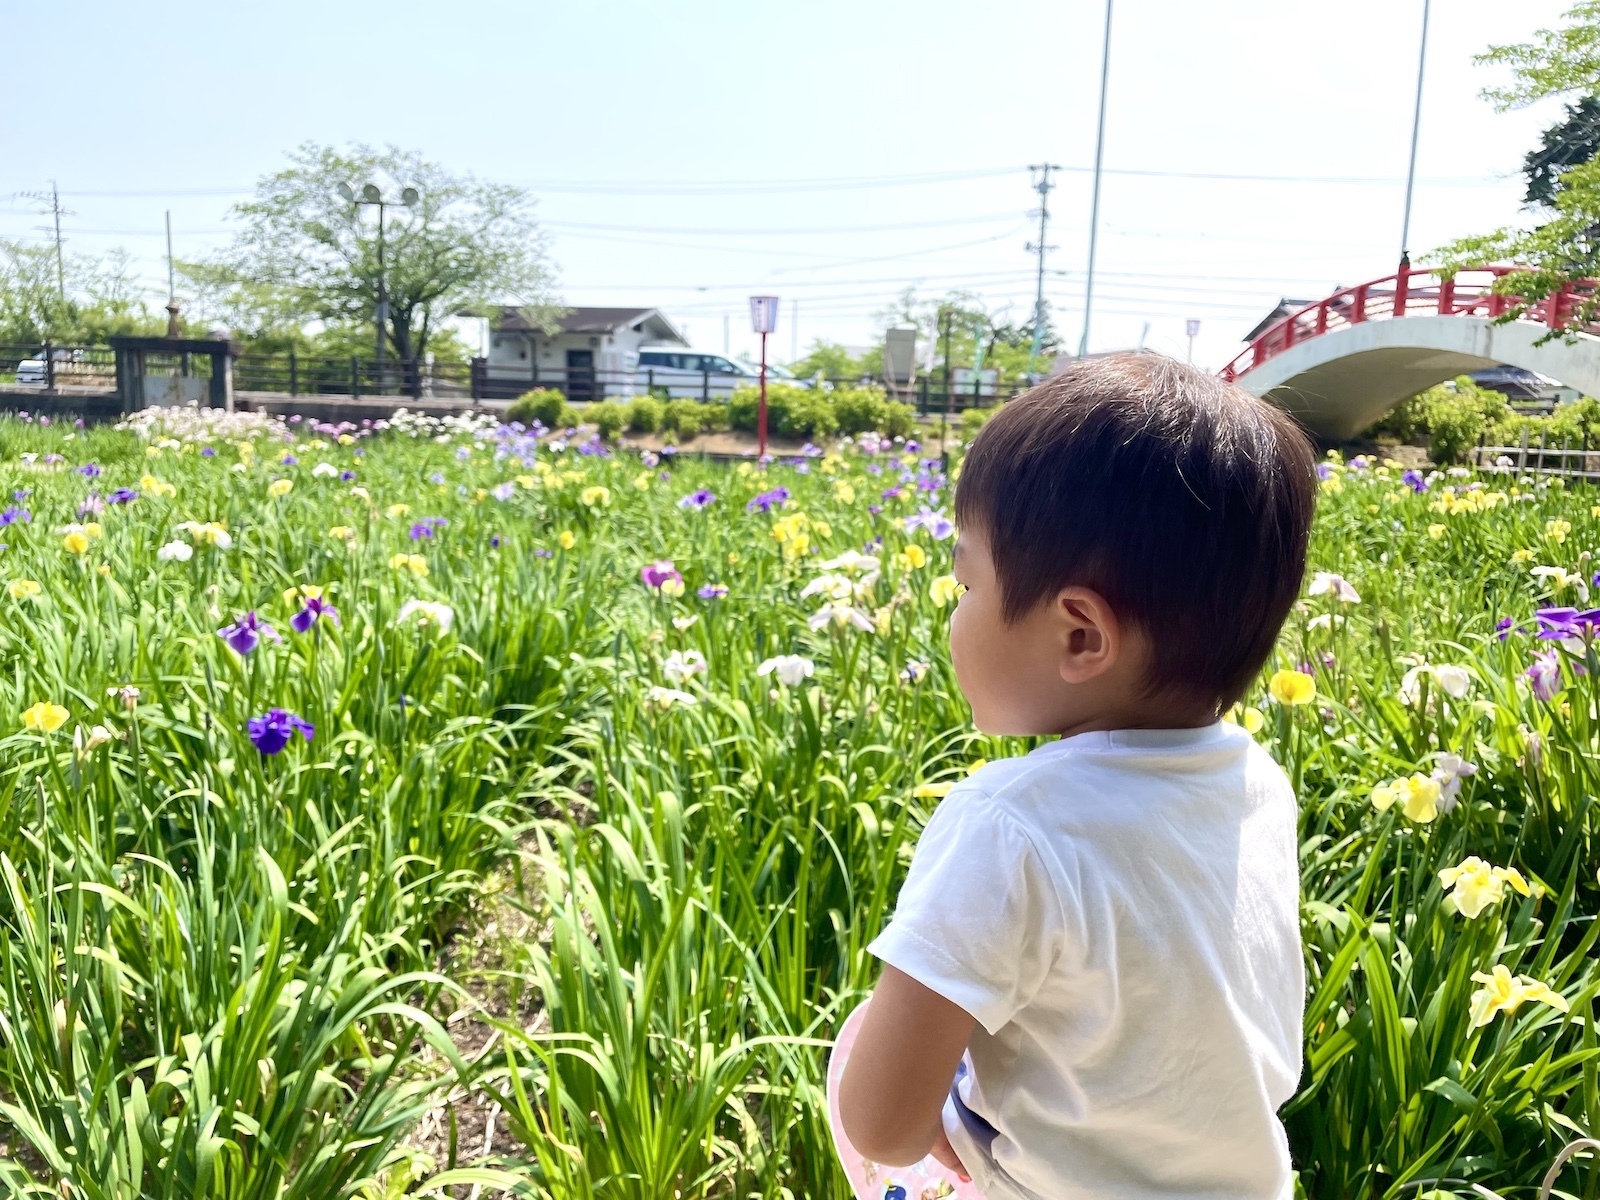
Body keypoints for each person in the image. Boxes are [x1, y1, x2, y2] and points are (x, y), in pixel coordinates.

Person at [837, 354, 1317, 1200]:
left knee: (857, 1052)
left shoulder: (1010, 825)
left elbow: (879, 1123)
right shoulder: (1258, 782)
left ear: (1080, 636)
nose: (953, 616)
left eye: (966, 583)